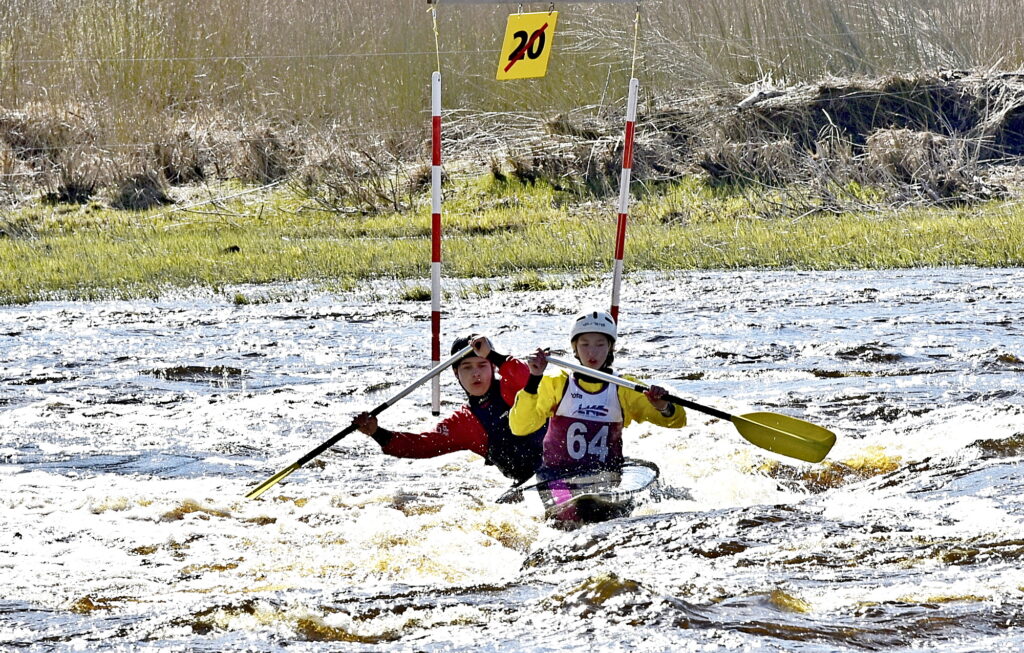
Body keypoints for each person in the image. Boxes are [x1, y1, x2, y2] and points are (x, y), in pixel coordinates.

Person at [509, 309, 687, 522]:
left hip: (608, 473)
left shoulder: (625, 387)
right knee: (568, 515)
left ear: (610, 347)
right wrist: (533, 379)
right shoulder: (557, 383)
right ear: (575, 348)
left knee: (608, 515)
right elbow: (520, 427)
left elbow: (677, 421)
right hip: (556, 476)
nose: (592, 352)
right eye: (585, 344)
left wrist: (663, 406)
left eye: (600, 344)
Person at [352, 335, 546, 483]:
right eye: (467, 367)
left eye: (482, 365)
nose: (476, 373)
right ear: (456, 373)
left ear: (493, 368)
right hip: (528, 481)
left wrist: (493, 356)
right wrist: (377, 433)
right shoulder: (463, 423)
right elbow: (421, 445)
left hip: (563, 461)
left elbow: (527, 376)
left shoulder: (511, 386)